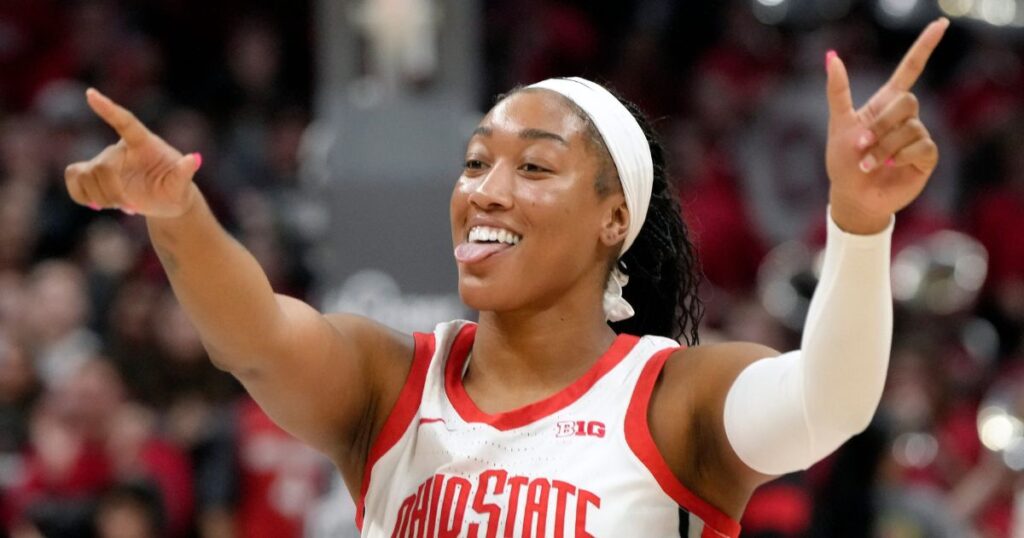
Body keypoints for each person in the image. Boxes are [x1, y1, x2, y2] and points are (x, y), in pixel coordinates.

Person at [62, 17, 948, 537]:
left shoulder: (671, 397)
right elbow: (251, 335)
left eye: (534, 168)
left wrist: (860, 225)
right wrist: (176, 215)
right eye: (477, 162)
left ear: (614, 218)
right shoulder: (390, 382)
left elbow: (830, 402)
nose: (487, 190)